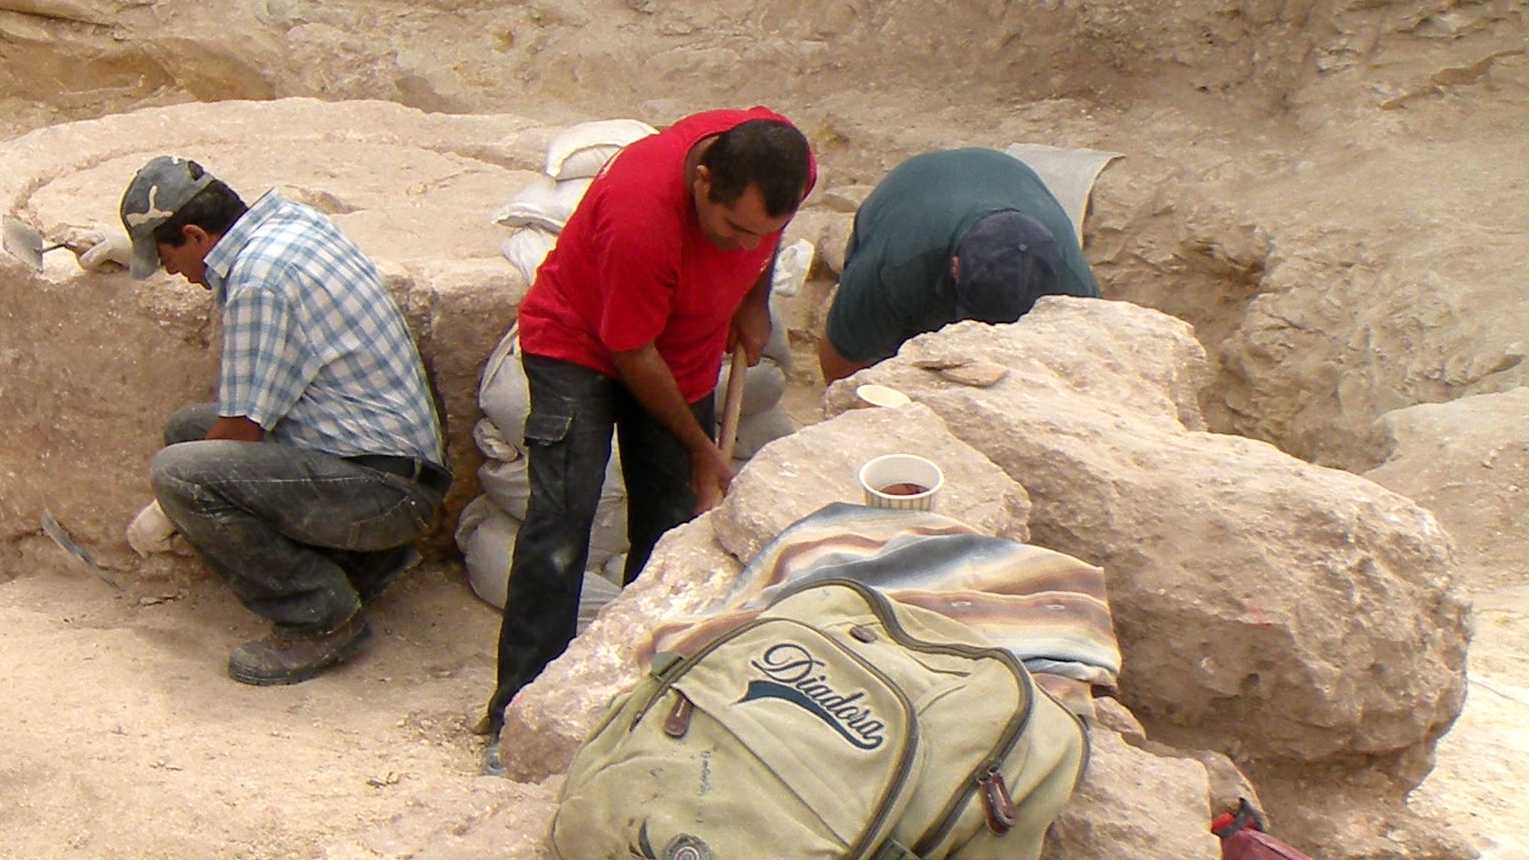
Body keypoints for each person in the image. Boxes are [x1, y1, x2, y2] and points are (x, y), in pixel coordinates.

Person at [480, 109, 815, 740]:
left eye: (762, 232)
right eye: (733, 227)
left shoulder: (780, 164)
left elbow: (764, 238)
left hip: (681, 352)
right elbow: (630, 350)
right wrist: (700, 449)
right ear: (702, 181)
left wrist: (752, 299)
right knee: (561, 523)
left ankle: (639, 697)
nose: (747, 244)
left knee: (669, 531)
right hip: (580, 343)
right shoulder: (642, 213)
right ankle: (516, 715)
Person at [125, 157, 451, 684]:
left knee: (181, 473)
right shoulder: (288, 224)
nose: (173, 274)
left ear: (193, 233)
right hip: (391, 463)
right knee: (188, 429)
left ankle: (318, 620)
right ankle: (365, 569)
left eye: (167, 259)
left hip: (383, 490)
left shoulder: (260, 282)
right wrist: (136, 251)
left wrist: (163, 511)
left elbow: (240, 430)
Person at [818, 147, 1098, 381]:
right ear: (954, 266)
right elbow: (844, 353)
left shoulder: (1072, 283)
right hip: (913, 190)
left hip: (1005, 178)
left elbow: (1087, 366)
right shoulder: (895, 264)